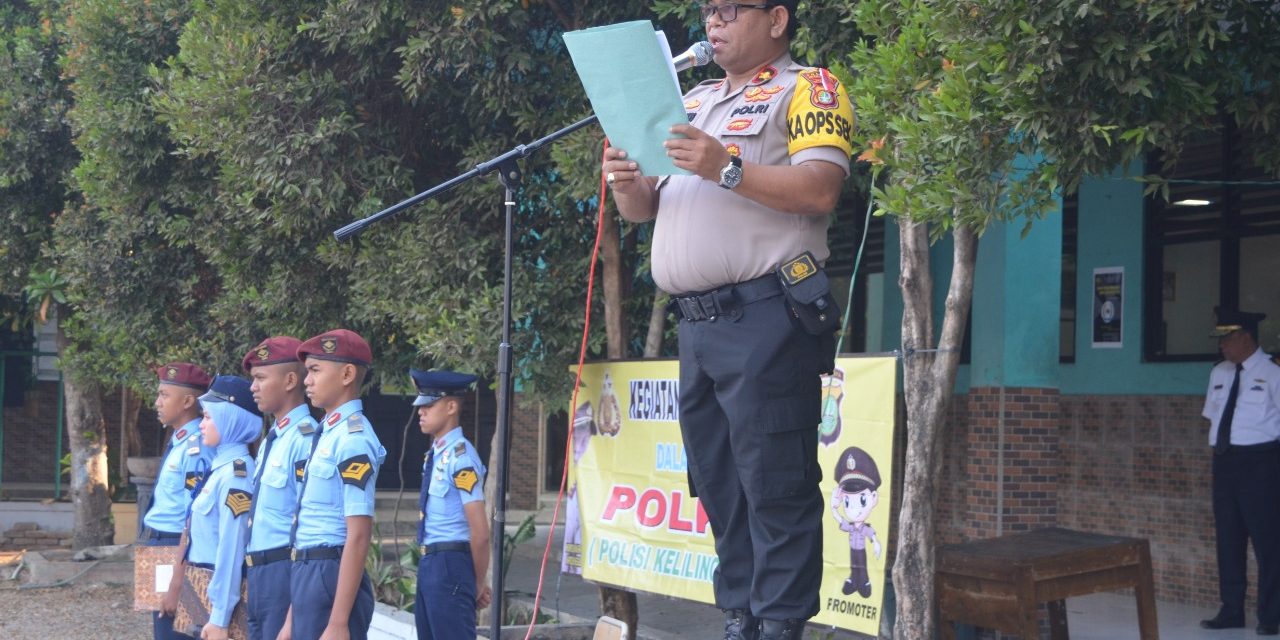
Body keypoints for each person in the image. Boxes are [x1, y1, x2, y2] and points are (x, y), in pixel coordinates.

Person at [601, 1, 853, 638]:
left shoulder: (810, 87)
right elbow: (643, 208)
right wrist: (626, 180)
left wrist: (726, 166)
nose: (714, 22)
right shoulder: (694, 98)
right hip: (699, 325)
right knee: (717, 480)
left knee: (775, 480)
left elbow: (821, 188)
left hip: (766, 311)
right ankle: (740, 614)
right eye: (708, 11)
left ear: (775, 19)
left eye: (730, 9)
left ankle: (778, 623)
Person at [283, 329, 385, 640]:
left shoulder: (354, 438)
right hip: (309, 569)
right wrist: (291, 620)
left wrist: (339, 622)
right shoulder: (328, 433)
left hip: (330, 572)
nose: (306, 380)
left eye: (315, 370)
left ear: (347, 374)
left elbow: (357, 534)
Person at [1200, 309, 1280, 636]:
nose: (1221, 347)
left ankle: (1271, 614)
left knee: (1268, 542)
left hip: (1262, 462)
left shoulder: (1273, 371)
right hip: (1226, 461)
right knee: (1228, 540)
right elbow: (1213, 417)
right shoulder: (1219, 372)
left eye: (1226, 340)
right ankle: (1231, 609)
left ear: (1245, 338)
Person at [408, 369, 491, 640]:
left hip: (450, 563)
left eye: (429, 405)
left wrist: (477, 582)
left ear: (451, 406)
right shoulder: (436, 454)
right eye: (420, 405)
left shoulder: (461, 457)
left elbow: (479, 531)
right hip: (432, 562)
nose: (421, 411)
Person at [242, 337, 315, 640]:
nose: (252, 387)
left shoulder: (304, 439)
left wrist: (293, 609)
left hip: (285, 572)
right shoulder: (274, 438)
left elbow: (307, 526)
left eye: (260, 378)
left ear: (289, 380)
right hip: (259, 573)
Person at [179, 375, 261, 640]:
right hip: (200, 586)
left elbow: (231, 548)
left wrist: (220, 617)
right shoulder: (221, 469)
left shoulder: (236, 474)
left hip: (216, 598)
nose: (201, 424)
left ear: (230, 419)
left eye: (208, 417)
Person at [146, 362, 215, 640]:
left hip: (176, 547)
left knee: (177, 630)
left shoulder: (196, 446)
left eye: (164, 395)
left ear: (188, 401)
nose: (157, 402)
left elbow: (194, 517)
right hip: (159, 545)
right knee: (162, 627)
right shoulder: (179, 439)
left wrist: (177, 581)